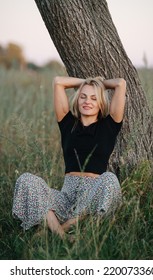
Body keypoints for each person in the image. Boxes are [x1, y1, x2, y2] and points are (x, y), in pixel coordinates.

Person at [12, 76, 126, 239]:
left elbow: (120, 84)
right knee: (26, 180)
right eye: (83, 96)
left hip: (93, 196)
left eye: (94, 98)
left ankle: (57, 230)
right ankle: (63, 236)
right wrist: (87, 82)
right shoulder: (67, 123)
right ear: (77, 99)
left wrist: (98, 84)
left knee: (110, 179)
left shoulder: (109, 125)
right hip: (65, 197)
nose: (88, 101)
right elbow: (58, 81)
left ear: (101, 102)